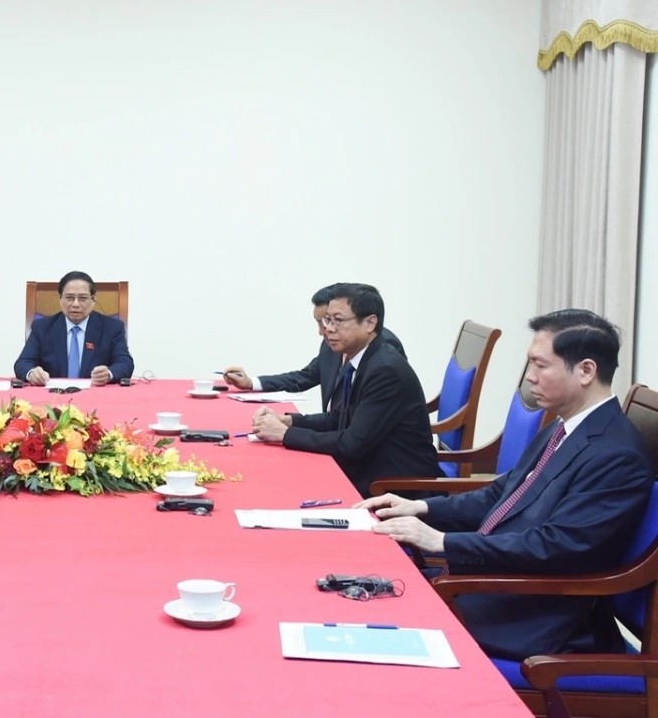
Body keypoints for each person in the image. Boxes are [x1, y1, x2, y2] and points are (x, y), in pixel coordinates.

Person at [358, 308, 652, 661]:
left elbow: (558, 546)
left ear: (586, 371)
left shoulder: (617, 455)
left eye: (540, 365)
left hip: (533, 615)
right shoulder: (565, 426)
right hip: (495, 583)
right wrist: (421, 508)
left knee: (378, 621)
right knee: (365, 586)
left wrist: (442, 541)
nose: (529, 377)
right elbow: (504, 493)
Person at [250, 283, 441, 496]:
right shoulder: (360, 358)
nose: (328, 329)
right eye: (327, 320)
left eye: (337, 321)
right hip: (368, 472)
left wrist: (285, 434)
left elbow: (352, 444)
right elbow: (338, 418)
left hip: (396, 488)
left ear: (369, 323)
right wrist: (288, 421)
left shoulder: (385, 370)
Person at [223, 283, 406, 410]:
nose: (324, 330)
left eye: (334, 320)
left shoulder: (385, 349)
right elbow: (304, 377)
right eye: (324, 322)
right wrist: (251, 383)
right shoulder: (331, 345)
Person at [13, 271, 134, 386]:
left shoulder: (112, 328)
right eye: (69, 298)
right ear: (60, 299)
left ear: (93, 300)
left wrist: (108, 374)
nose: (75, 304)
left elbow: (125, 363)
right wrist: (32, 373)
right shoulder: (42, 327)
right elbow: (23, 363)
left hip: (95, 394)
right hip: (53, 395)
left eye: (82, 298)